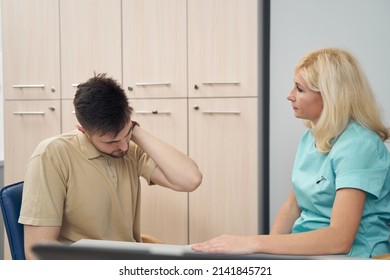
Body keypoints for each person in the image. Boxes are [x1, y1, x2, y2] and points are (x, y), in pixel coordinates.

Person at [192, 48, 390, 258]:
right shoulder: (312, 137)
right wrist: (264, 256)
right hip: (310, 255)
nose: (289, 95)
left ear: (331, 96)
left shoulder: (359, 145)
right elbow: (293, 205)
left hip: (353, 258)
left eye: (300, 89)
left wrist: (255, 243)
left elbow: (339, 239)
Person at [19, 73, 203, 259]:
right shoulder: (52, 155)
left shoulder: (131, 149)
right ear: (83, 130)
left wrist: (135, 130)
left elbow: (190, 180)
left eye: (127, 134)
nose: (123, 146)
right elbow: (37, 252)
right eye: (111, 141)